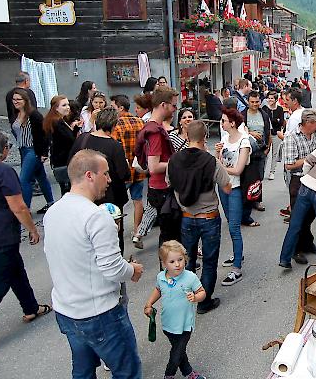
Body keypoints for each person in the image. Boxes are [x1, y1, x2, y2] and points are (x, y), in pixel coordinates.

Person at [44, 149, 143, 378]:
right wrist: (133, 270)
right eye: (106, 174)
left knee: (83, 371)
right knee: (127, 371)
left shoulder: (53, 211)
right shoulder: (96, 217)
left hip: (67, 311)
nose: (109, 180)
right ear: (90, 175)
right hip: (100, 314)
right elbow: (112, 268)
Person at [0, 131, 52, 355]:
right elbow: (19, 206)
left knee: (15, 270)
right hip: (1, 234)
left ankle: (31, 307)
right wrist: (32, 230)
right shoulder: (3, 171)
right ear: (5, 150)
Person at [167, 121, 231, 314]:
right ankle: (204, 301)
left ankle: (187, 296)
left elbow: (169, 182)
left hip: (186, 216)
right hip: (209, 216)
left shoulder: (173, 160)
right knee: (210, 261)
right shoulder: (210, 161)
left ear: (186, 135)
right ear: (205, 137)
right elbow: (227, 187)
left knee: (188, 260)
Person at [69, 108, 131, 254]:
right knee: (112, 238)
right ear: (114, 125)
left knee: (87, 237)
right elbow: (124, 174)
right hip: (110, 198)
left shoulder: (82, 139)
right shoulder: (114, 146)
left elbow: (70, 163)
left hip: (84, 196)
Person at [144, 241, 207, 379]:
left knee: (177, 352)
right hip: (168, 323)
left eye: (180, 259)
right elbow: (158, 290)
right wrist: (149, 304)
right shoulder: (161, 277)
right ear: (164, 264)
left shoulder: (190, 277)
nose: (177, 264)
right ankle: (188, 372)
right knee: (179, 351)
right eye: (172, 261)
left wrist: (196, 297)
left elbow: (202, 292)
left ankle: (169, 375)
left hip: (185, 324)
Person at [279, 110, 316, 267]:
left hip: (314, 179)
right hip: (298, 180)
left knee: (309, 216)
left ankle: (306, 243)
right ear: (308, 123)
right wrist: (310, 158)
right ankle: (296, 250)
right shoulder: (291, 138)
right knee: (298, 219)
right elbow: (289, 164)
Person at [136, 87, 180, 249]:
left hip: (159, 188)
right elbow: (154, 166)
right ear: (164, 105)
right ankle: (168, 273)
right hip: (162, 190)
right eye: (174, 106)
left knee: (169, 237)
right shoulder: (155, 131)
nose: (175, 109)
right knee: (170, 239)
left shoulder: (152, 126)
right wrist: (178, 163)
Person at [215, 108, 250, 286]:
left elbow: (238, 170)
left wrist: (218, 166)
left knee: (235, 227)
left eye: (223, 121)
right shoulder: (225, 139)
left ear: (232, 123)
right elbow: (219, 161)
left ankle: (237, 268)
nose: (221, 124)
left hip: (235, 187)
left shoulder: (244, 141)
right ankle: (238, 254)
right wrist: (217, 154)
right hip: (223, 186)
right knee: (230, 223)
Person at [110, 95, 147, 246]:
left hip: (123, 170)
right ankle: (137, 231)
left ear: (120, 108)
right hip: (138, 168)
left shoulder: (116, 125)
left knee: (117, 202)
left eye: (113, 107)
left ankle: (117, 230)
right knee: (137, 200)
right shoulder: (140, 122)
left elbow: (112, 146)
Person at [9, 89, 54, 212]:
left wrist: (44, 152)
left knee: (24, 179)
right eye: (14, 99)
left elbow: (44, 133)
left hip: (32, 150)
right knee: (41, 176)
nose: (15, 102)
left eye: (19, 99)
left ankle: (26, 208)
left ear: (25, 100)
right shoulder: (16, 113)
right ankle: (51, 203)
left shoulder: (34, 115)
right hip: (23, 149)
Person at [43, 95, 80, 195]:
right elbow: (70, 140)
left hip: (60, 160)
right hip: (63, 161)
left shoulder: (57, 120)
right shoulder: (57, 122)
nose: (68, 107)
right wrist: (75, 129)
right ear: (56, 108)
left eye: (68, 104)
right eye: (64, 105)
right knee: (68, 191)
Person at [242, 91, 271, 218]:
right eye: (252, 102)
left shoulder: (264, 114)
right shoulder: (243, 115)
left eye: (257, 102)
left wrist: (268, 148)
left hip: (261, 150)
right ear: (248, 102)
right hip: (246, 151)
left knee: (259, 176)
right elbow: (239, 131)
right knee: (246, 176)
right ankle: (246, 199)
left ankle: (257, 200)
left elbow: (269, 132)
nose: (255, 104)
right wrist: (251, 134)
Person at [263, 91, 285, 180]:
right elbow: (265, 122)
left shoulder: (280, 109)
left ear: (276, 100)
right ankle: (263, 171)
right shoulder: (264, 108)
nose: (270, 100)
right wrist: (276, 120)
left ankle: (272, 172)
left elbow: (281, 122)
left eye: (272, 98)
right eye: (269, 98)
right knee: (265, 153)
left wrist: (274, 120)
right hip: (267, 134)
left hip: (276, 134)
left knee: (274, 154)